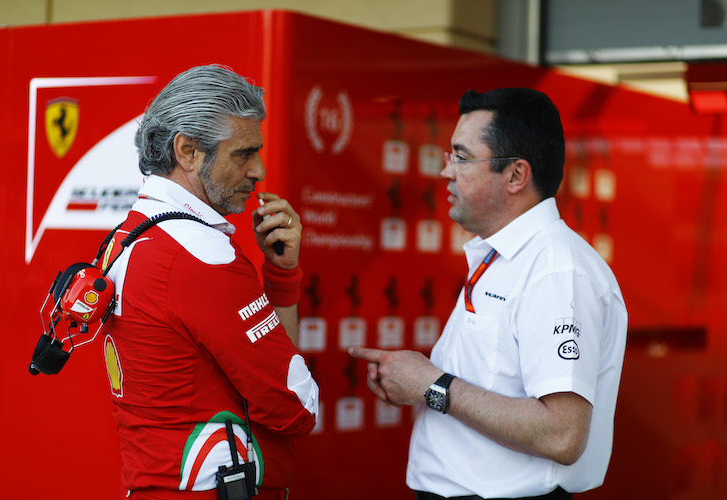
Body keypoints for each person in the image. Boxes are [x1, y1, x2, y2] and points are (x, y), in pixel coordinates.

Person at [350, 88, 627, 500]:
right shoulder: (504, 255)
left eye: (461, 158)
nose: (446, 172)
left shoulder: (556, 270)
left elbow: (562, 434)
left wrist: (433, 385)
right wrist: (420, 383)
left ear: (516, 175)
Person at [101, 65, 319, 500]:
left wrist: (279, 277)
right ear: (187, 151)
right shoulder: (202, 252)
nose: (258, 170)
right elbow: (297, 406)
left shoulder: (130, 232)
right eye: (244, 153)